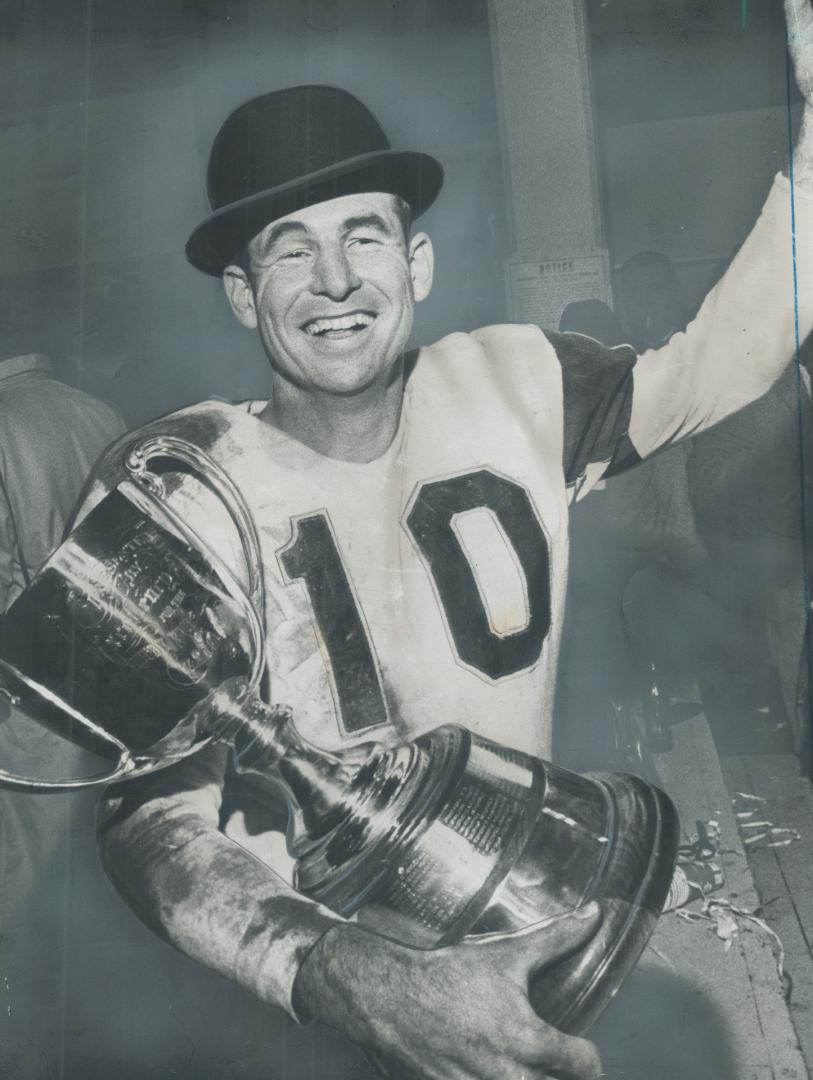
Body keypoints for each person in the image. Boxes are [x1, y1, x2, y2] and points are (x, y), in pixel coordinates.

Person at [72, 3, 813, 1077]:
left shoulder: (516, 382)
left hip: (519, 924)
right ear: (241, 295)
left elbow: (716, 365)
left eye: (363, 235)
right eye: (291, 250)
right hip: (298, 1004)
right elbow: (151, 825)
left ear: (416, 261)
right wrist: (352, 983)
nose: (335, 282)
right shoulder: (191, 486)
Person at [0, 352, 125, 1076]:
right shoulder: (92, 410)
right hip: (110, 703)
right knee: (97, 908)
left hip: (25, 725)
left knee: (23, 927)